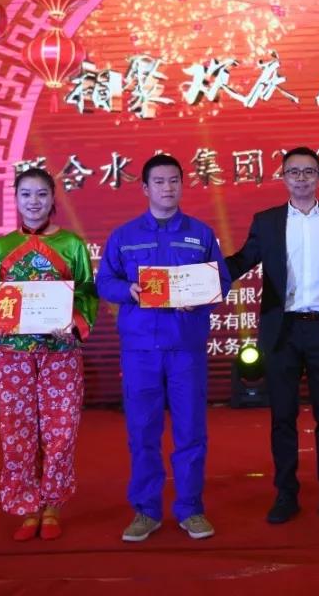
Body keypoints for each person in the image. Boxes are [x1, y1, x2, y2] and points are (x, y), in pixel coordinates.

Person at [225, 146, 319, 526]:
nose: (301, 178)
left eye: (309, 172)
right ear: (283, 177)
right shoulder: (267, 221)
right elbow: (242, 260)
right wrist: (200, 278)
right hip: (281, 331)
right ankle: (286, 494)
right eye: (294, 172)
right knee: (282, 417)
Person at [96, 154, 231, 542]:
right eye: (159, 181)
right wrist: (129, 290)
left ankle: (190, 508)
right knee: (142, 432)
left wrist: (200, 299)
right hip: (140, 350)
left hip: (186, 348)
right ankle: (146, 510)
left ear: (182, 185)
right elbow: (104, 282)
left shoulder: (200, 234)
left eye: (174, 180)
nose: (167, 188)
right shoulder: (124, 235)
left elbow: (220, 282)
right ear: (145, 188)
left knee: (191, 430)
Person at [0, 167, 98, 542]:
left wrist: (74, 322)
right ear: (15, 198)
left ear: (53, 198)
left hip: (60, 352)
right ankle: (28, 506)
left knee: (61, 430)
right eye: (26, 194)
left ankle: (53, 504)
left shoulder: (72, 245)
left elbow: (87, 293)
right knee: (18, 431)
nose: (34, 201)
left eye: (41, 194)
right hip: (13, 354)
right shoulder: (0, 248)